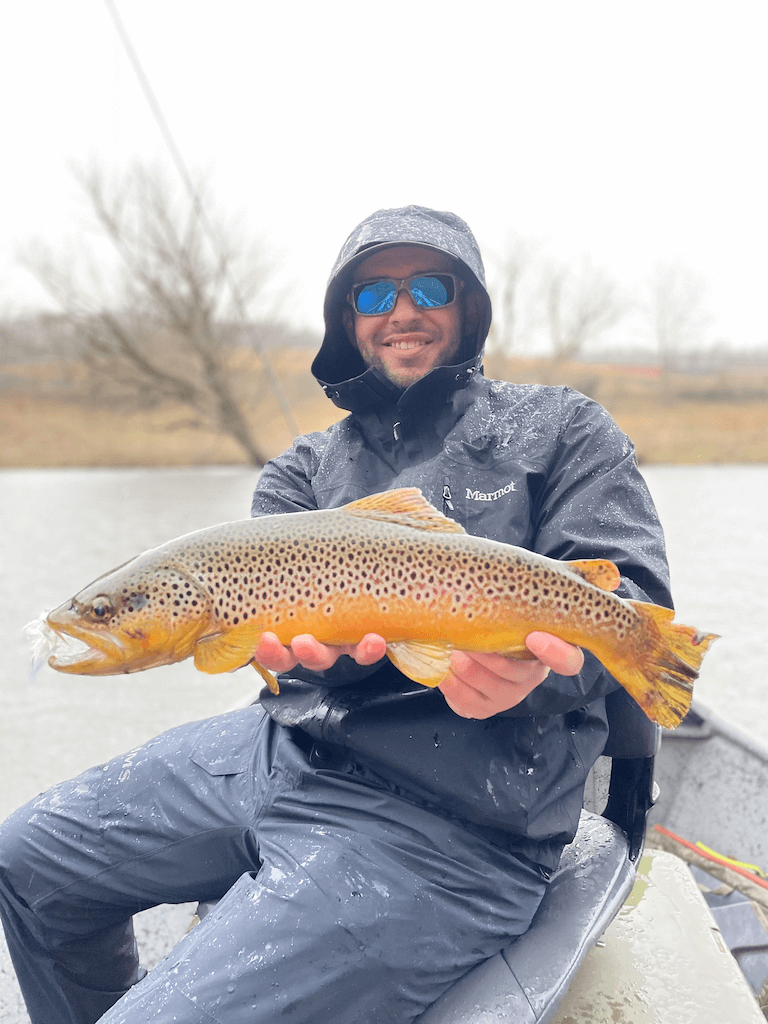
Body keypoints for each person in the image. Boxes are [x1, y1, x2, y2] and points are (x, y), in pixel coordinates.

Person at [0, 206, 672, 1024]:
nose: (403, 310)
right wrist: (311, 662)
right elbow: (288, 662)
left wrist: (534, 678)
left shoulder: (563, 429)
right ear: (345, 320)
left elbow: (639, 608)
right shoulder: (303, 472)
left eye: (430, 285)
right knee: (25, 859)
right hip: (286, 749)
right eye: (373, 294)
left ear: (467, 307)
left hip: (455, 823)